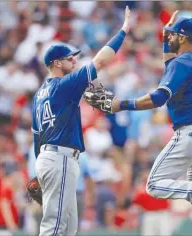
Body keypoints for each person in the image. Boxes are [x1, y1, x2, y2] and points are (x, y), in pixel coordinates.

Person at [97, 11, 192, 233]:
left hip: (190, 133)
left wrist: (121, 105)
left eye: (173, 35)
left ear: (183, 38)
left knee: (154, 185)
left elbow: (158, 98)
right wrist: (166, 39)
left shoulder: (181, 64)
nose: (169, 37)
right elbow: (170, 68)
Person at [31, 6, 131, 236]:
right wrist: (123, 31)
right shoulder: (64, 85)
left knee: (67, 228)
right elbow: (100, 61)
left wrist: (41, 170)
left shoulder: (39, 95)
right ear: (56, 63)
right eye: (69, 58)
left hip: (48, 157)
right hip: (60, 157)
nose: (74, 61)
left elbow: (37, 136)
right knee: (55, 227)